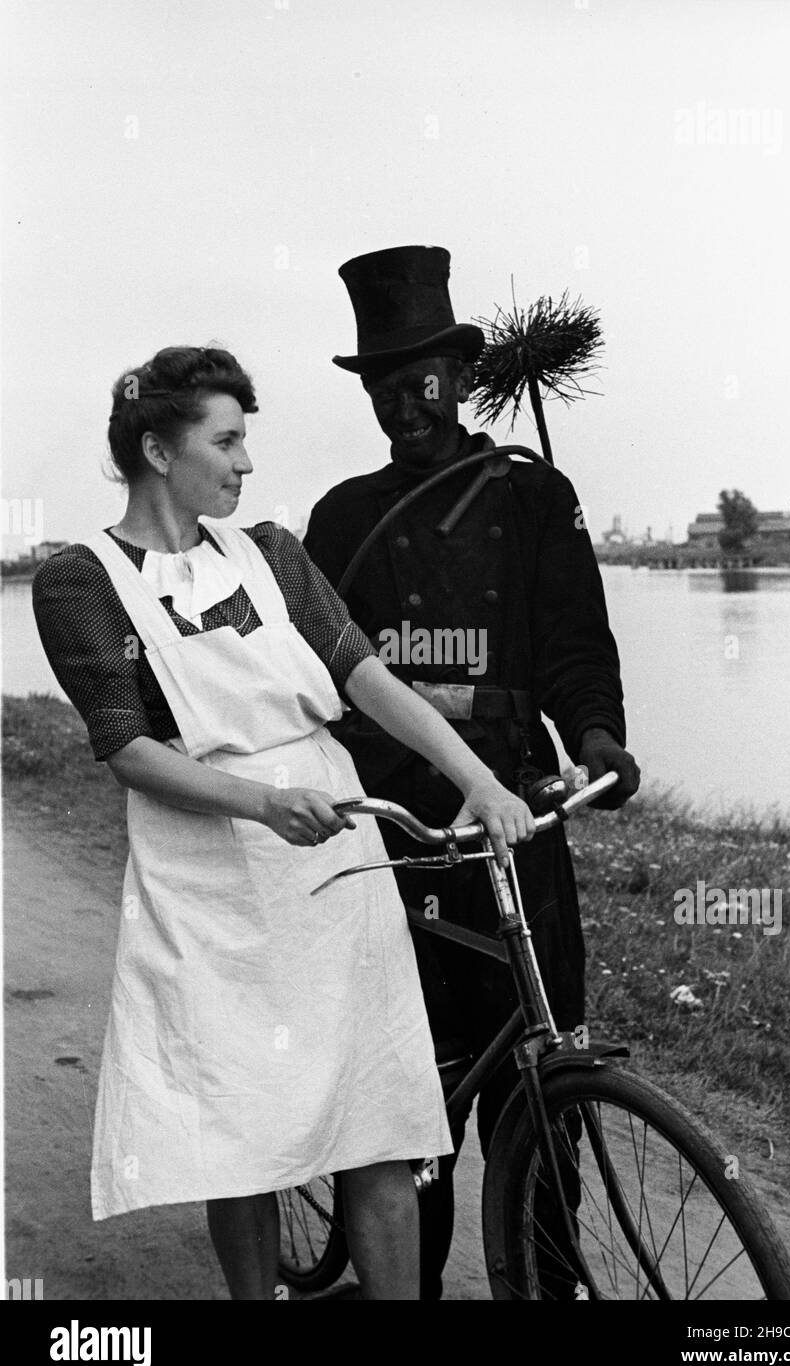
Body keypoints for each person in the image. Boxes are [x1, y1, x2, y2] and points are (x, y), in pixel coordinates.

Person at [31, 344, 536, 1302]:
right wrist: (263, 802)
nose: (245, 463)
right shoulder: (80, 583)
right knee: (247, 1134)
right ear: (157, 448)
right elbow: (129, 749)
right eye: (226, 441)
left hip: (334, 866)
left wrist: (477, 779)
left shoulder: (271, 554)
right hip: (211, 878)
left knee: (378, 1125)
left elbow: (371, 682)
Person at [303, 246, 641, 1298]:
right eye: (382, 388)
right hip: (396, 827)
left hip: (514, 814)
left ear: (462, 377)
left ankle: (541, 1277)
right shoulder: (342, 517)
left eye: (422, 382)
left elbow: (576, 644)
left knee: (544, 1077)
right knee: (416, 1096)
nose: (405, 404)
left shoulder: (534, 498)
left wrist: (594, 736)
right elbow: (319, 676)